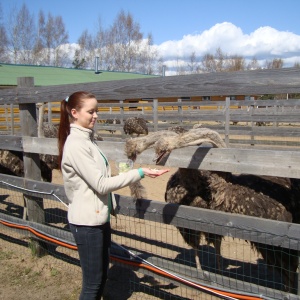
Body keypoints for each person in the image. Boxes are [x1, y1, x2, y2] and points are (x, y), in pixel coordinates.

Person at [57, 91, 168, 300]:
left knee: (101, 279)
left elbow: (96, 177)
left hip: (99, 218)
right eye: (91, 111)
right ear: (74, 112)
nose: (96, 115)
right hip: (87, 224)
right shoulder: (77, 145)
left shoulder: (87, 141)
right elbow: (100, 184)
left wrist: (124, 173)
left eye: (96, 111)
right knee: (92, 285)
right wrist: (139, 173)